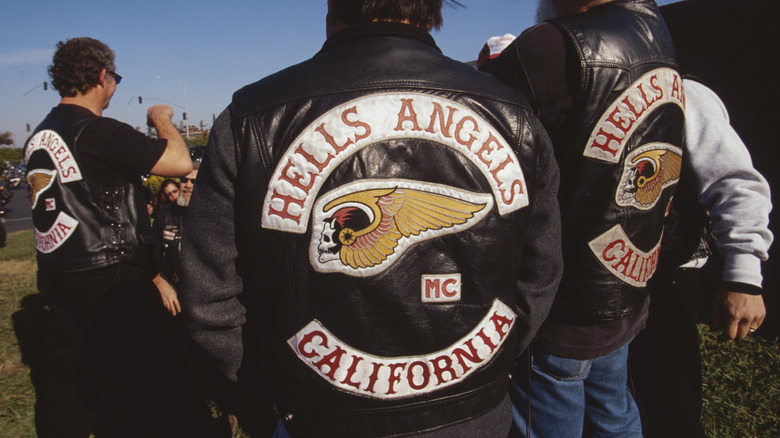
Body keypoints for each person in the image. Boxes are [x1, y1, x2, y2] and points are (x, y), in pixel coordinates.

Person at [179, 0, 563, 436]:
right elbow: (542, 274)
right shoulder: (514, 113)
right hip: (472, 414)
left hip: (316, 417)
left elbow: (209, 296)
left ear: (331, 8)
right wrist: (490, 363)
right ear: (434, 11)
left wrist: (262, 392)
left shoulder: (252, 116)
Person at [479, 1, 685, 436]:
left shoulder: (554, 44)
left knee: (552, 419)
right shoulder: (656, 33)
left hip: (560, 304)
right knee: (615, 413)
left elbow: (480, 148)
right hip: (623, 291)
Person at [23, 36, 192, 438]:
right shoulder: (98, 130)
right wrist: (161, 119)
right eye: (114, 77)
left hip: (57, 270)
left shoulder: (41, 134)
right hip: (111, 271)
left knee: (67, 380)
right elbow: (179, 160)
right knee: (144, 375)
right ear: (102, 76)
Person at [628, 78, 772, 437]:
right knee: (610, 405)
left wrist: (743, 276)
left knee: (668, 409)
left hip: (664, 281)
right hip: (596, 285)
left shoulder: (682, 93)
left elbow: (736, 183)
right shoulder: (591, 87)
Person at [152, 162, 199, 315]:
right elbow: (150, 259)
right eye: (184, 180)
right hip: (176, 296)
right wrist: (161, 284)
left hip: (210, 298)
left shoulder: (218, 212)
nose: (188, 185)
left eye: (194, 181)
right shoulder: (164, 216)